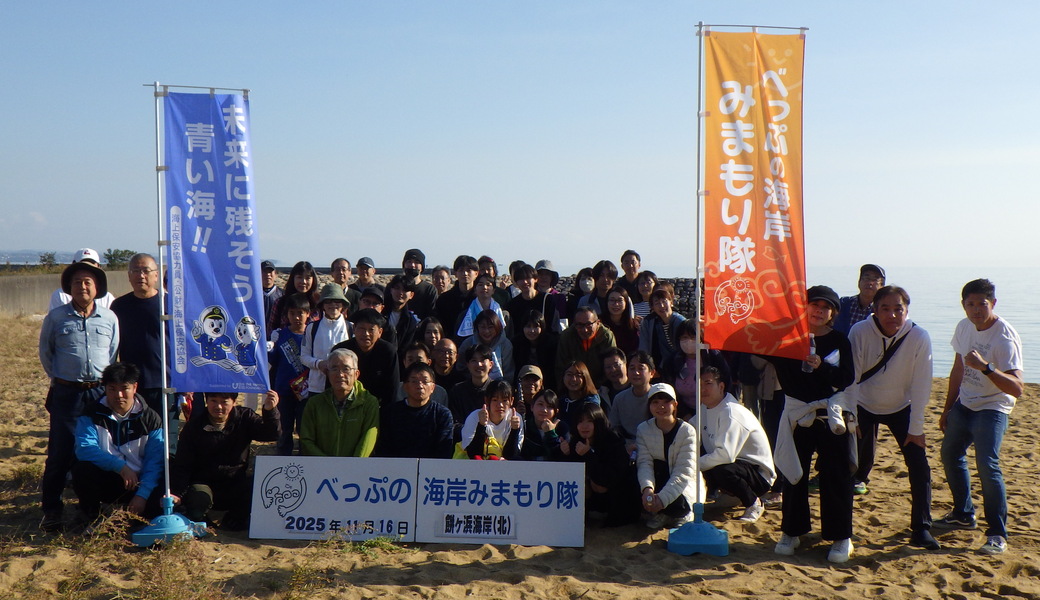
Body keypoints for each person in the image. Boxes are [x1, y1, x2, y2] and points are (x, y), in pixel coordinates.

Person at [767, 285, 856, 563]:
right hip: (796, 413)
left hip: (831, 413)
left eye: (825, 307)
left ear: (833, 313)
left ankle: (841, 536)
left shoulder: (840, 340)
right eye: (814, 304)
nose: (819, 311)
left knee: (836, 474)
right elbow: (752, 344)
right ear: (803, 307)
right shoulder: (786, 338)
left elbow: (846, 378)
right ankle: (791, 531)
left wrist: (822, 366)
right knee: (794, 475)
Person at [844, 285, 938, 549]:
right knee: (848, 465)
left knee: (919, 466)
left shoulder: (919, 336)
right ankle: (842, 529)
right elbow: (851, 378)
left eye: (899, 309)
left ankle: (921, 528)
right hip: (863, 403)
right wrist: (851, 418)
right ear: (874, 309)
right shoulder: (860, 331)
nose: (892, 315)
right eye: (885, 308)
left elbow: (922, 384)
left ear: (907, 311)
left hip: (901, 406)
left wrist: (917, 427)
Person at [937, 279, 1024, 555]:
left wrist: (986, 368)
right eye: (970, 304)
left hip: (993, 406)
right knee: (950, 454)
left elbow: (1017, 388)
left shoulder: (1004, 336)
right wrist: (947, 407)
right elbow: (957, 370)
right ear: (963, 305)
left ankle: (997, 533)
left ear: (993, 304)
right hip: (965, 403)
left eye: (982, 304)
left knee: (987, 466)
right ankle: (963, 513)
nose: (976, 310)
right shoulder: (964, 327)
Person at [38, 260, 120, 532]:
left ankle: (89, 508)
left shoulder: (109, 318)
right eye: (76, 282)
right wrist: (64, 378)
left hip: (98, 393)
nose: (82, 286)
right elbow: (47, 354)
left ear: (97, 288)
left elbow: (112, 353)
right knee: (60, 453)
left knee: (97, 450)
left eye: (88, 282)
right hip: (66, 393)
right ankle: (51, 509)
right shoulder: (57, 317)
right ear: (69, 288)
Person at [170, 390, 280, 530]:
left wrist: (270, 411)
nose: (219, 406)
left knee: (257, 485)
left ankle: (234, 519)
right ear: (206, 401)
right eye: (213, 401)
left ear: (234, 402)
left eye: (224, 402)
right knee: (199, 495)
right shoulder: (194, 426)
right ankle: (203, 520)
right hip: (205, 483)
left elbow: (272, 434)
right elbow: (183, 464)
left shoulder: (244, 417)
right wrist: (177, 493)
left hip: (235, 482)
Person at [72, 362, 164, 523]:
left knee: (163, 481)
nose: (118, 395)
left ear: (135, 388)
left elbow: (154, 461)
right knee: (82, 468)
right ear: (105, 388)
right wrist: (120, 467)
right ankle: (91, 517)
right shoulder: (91, 413)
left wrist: (142, 495)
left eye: (124, 388)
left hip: (139, 481)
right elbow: (85, 448)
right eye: (112, 389)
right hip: (108, 477)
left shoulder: (151, 418)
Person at [697, 366, 776, 523]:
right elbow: (689, 431)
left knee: (721, 468)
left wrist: (693, 465)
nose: (703, 389)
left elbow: (726, 455)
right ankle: (731, 496)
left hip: (757, 473)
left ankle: (754, 503)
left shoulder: (731, 411)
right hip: (736, 465)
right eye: (699, 384)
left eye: (708, 383)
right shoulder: (704, 408)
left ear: (721, 386)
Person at [559, 402, 640, 526]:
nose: (584, 426)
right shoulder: (576, 441)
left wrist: (588, 455)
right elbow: (569, 476)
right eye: (580, 421)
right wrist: (566, 453)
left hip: (619, 503)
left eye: (589, 421)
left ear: (598, 422)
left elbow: (606, 479)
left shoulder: (613, 440)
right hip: (594, 505)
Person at [637, 383, 704, 530]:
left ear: (675, 405)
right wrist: (647, 488)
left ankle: (681, 514)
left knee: (678, 495)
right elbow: (644, 463)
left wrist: (661, 500)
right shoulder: (643, 429)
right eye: (655, 402)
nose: (661, 407)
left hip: (683, 485)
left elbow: (684, 472)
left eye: (666, 402)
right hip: (658, 479)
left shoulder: (688, 432)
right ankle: (663, 512)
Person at [110, 253, 167, 421]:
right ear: (129, 276)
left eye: (146, 271)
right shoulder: (119, 306)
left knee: (164, 435)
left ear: (156, 275)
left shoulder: (169, 305)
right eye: (135, 271)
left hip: (164, 382)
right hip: (130, 382)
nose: (140, 275)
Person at [299, 348, 379, 457]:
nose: (340, 374)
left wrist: (351, 465)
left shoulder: (369, 403)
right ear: (327, 373)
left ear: (356, 374)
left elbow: (368, 439)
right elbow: (306, 440)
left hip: (357, 469)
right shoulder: (315, 403)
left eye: (346, 369)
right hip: (322, 469)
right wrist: (329, 465)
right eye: (334, 369)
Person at [377, 363, 454, 459]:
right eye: (414, 381)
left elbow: (444, 450)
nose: (420, 386)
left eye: (425, 382)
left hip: (431, 470)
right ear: (405, 386)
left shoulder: (442, 414)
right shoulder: (390, 412)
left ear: (433, 388)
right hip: (396, 469)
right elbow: (384, 448)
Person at [268, 293, 311, 455]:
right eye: (292, 313)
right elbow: (271, 361)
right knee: (284, 427)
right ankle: (283, 456)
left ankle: (304, 456)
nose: (297, 317)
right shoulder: (280, 335)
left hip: (305, 390)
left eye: (300, 313)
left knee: (303, 427)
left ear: (308, 313)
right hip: (284, 390)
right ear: (287, 315)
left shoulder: (312, 334)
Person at [664, 319, 732, 420]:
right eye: (684, 337)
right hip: (684, 414)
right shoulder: (672, 360)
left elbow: (726, 383)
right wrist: (685, 415)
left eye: (693, 337)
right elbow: (669, 390)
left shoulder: (713, 356)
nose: (689, 341)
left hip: (715, 411)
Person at [332, 309, 400, 407]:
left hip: (377, 406)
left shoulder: (388, 352)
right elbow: (332, 383)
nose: (366, 334)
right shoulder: (341, 350)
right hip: (345, 404)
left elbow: (392, 389)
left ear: (380, 332)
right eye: (362, 329)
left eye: (371, 329)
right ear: (354, 328)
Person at [300, 283, 353, 398]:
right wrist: (319, 364)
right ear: (322, 304)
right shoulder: (312, 328)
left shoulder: (351, 328)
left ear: (343, 305)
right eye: (328, 301)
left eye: (337, 301)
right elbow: (303, 356)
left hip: (343, 387)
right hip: (317, 387)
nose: (333, 304)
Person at [460, 379, 524, 459]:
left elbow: (512, 456)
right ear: (487, 400)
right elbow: (472, 453)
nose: (500, 405)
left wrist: (514, 430)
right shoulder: (475, 416)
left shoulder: (516, 418)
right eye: (495, 400)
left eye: (504, 400)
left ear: (511, 401)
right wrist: (481, 426)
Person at [556, 306, 617, 388]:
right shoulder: (567, 337)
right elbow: (561, 367)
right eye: (580, 325)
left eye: (589, 325)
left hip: (602, 387)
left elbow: (611, 366)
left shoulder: (606, 336)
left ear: (598, 323)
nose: (585, 330)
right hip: (574, 386)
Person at [610, 351, 654, 455]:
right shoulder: (620, 398)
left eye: (641, 368)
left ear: (652, 373)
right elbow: (614, 428)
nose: (636, 373)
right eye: (632, 368)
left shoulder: (659, 396)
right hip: (626, 447)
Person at [448, 344, 495, 440]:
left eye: (482, 360)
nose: (479, 364)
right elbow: (454, 423)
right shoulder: (457, 391)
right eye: (474, 361)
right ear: (467, 365)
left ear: (491, 364)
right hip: (463, 443)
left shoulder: (497, 390)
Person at [48, 248, 116, 311]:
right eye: (83, 264)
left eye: (92, 264)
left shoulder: (108, 298)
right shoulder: (60, 296)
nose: (87, 268)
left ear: (99, 267)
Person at [457, 309, 515, 382]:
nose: (486, 331)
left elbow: (508, 373)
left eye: (490, 327)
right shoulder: (468, 343)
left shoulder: (505, 345)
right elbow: (460, 368)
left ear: (497, 327)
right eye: (483, 327)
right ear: (477, 327)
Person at [639, 285, 686, 370]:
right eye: (657, 303)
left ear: (671, 302)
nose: (661, 305)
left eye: (664, 301)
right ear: (652, 307)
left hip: (682, 365)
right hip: (664, 367)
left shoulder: (680, 321)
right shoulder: (654, 323)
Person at [509, 310, 558, 391]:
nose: (532, 330)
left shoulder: (551, 343)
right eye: (528, 326)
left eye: (536, 327)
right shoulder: (516, 343)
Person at [506, 264, 560, 335]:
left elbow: (553, 328)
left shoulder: (547, 300)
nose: (525, 282)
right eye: (521, 279)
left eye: (528, 278)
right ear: (516, 282)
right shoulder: (512, 305)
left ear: (535, 279)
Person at [268, 261, 320, 333]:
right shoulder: (280, 303)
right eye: (299, 277)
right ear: (293, 279)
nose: (303, 281)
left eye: (307, 278)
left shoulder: (319, 304)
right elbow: (271, 329)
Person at [833, 264, 885, 335]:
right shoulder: (843, 304)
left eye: (875, 280)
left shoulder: (882, 310)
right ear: (859, 282)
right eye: (866, 278)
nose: (870, 283)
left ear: (882, 286)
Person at [455, 273, 509, 340]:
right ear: (475, 290)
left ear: (494, 290)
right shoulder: (465, 315)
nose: (484, 287)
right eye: (480, 285)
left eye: (488, 285)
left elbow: (508, 339)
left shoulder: (504, 315)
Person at [434, 255, 479, 335]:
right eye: (461, 270)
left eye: (469, 270)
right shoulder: (444, 299)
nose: (465, 274)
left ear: (476, 273)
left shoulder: (481, 298)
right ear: (455, 274)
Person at [395, 342, 449, 406]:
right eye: (410, 360)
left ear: (429, 362)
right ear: (404, 362)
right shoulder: (396, 389)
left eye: (419, 360)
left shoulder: (440, 393)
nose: (414, 364)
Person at [521, 389, 568, 460]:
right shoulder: (524, 426)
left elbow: (558, 457)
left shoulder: (562, 428)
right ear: (532, 407)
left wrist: (551, 433)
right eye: (540, 404)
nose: (544, 410)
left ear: (556, 411)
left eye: (549, 406)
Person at [558, 361, 602, 429]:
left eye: (578, 375)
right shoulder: (561, 401)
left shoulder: (591, 401)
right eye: (569, 374)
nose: (573, 379)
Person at [384, 274, 420, 356]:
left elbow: (406, 347)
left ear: (411, 295)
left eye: (405, 290)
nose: (400, 293)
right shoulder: (380, 312)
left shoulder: (411, 321)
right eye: (397, 288)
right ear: (391, 290)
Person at [601, 286, 639, 355]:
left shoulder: (634, 325)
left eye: (620, 300)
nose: (616, 304)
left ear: (626, 303)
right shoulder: (599, 323)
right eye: (612, 300)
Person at [402, 248, 439, 320]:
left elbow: (431, 316)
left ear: (422, 267)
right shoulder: (396, 286)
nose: (412, 265)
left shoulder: (429, 289)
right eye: (409, 261)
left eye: (416, 262)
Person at [260, 260, 284, 334]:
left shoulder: (282, 295)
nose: (268, 275)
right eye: (264, 272)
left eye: (270, 272)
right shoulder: (253, 294)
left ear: (275, 274)